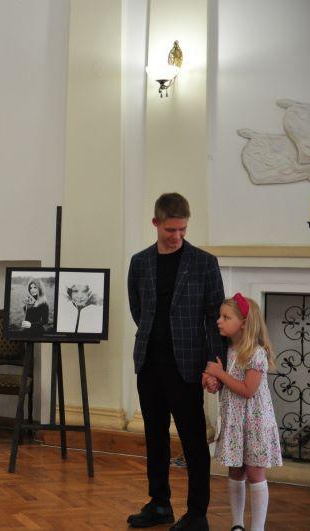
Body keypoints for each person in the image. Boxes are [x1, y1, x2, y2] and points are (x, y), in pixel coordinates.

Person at [127, 193, 226, 530]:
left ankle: (197, 513)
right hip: (149, 364)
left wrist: (214, 366)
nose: (177, 236)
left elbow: (215, 318)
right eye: (171, 229)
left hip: (187, 366)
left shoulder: (204, 263)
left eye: (183, 229)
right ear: (156, 223)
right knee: (155, 437)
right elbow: (138, 310)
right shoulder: (140, 262)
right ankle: (159, 504)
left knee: (193, 440)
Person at [204, 293, 281, 531]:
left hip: (255, 423)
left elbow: (248, 390)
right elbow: (224, 381)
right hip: (234, 421)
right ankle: (237, 524)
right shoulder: (226, 350)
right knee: (235, 472)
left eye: (226, 317)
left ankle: (257, 528)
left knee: (255, 474)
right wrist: (212, 380)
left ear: (244, 323)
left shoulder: (255, 353)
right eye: (220, 316)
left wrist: (220, 374)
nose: (219, 321)